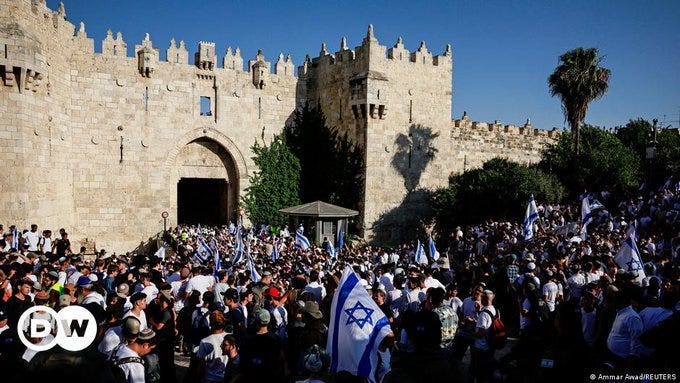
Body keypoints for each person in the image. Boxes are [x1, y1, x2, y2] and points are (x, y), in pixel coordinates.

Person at [471, 290, 497, 383]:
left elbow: (480, 333)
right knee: (486, 371)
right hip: (490, 345)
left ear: (484, 298)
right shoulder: (495, 310)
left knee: (479, 372)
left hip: (481, 347)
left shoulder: (484, 314)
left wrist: (471, 333)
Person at [196, 311, 228, 383]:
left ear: (210, 323)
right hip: (226, 378)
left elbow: (201, 365)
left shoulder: (205, 341)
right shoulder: (230, 337)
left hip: (210, 379)